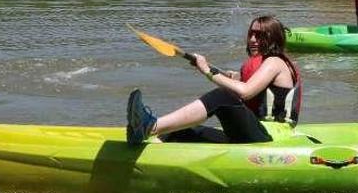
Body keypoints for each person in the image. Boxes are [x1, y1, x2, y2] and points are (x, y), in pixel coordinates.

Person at [126, 15, 302, 145]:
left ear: (273, 39)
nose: (252, 40)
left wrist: (207, 72)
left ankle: (151, 125)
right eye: (251, 34)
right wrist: (206, 65)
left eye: (260, 35)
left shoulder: (275, 62)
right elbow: (238, 82)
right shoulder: (263, 65)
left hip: (274, 137)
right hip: (255, 132)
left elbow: (246, 92)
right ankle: (147, 137)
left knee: (222, 96)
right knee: (179, 132)